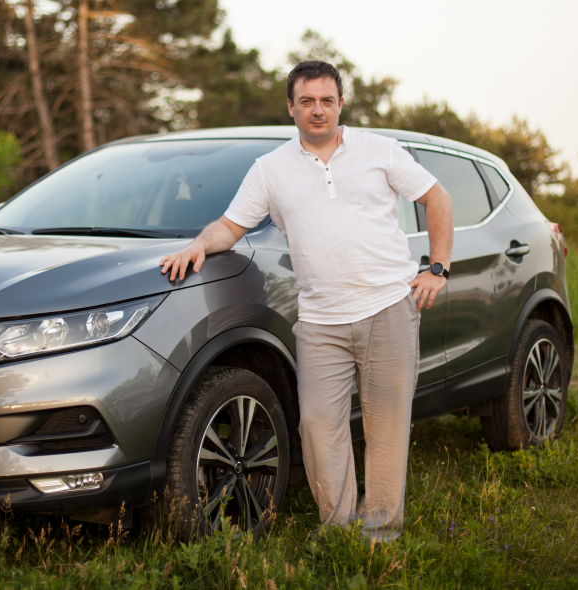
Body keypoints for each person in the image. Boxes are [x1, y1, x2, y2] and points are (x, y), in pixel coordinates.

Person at [159, 60, 454, 543]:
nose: (318, 110)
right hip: (320, 320)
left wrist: (437, 267)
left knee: (385, 427)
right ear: (291, 108)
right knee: (317, 426)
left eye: (327, 101)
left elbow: (436, 198)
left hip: (387, 307)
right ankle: (338, 529)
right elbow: (230, 226)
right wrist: (198, 245)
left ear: (341, 104)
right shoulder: (270, 169)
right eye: (307, 101)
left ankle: (380, 533)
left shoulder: (380, 150)